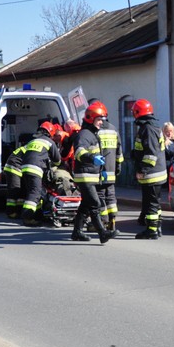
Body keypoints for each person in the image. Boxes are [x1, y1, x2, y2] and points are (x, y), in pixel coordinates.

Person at [69, 104, 118, 243]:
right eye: (99, 119)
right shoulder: (84, 134)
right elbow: (79, 152)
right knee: (95, 203)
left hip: (91, 175)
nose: (102, 122)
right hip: (85, 176)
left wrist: (101, 171)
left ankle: (76, 233)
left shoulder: (92, 134)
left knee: (85, 205)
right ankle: (102, 233)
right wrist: (92, 159)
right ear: (90, 119)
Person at [130, 99, 167, 239]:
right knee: (155, 203)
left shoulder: (148, 129)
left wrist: (142, 170)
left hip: (151, 174)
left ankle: (151, 231)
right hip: (157, 172)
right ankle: (156, 228)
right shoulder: (153, 126)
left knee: (151, 203)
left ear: (138, 112)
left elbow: (151, 154)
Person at [18, 122, 61, 227]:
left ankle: (37, 215)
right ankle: (27, 217)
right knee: (35, 193)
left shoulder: (32, 141)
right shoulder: (49, 141)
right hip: (36, 168)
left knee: (32, 191)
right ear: (50, 132)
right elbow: (57, 160)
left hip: (24, 168)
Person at [91, 102, 124, 232]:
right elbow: (119, 151)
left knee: (100, 196)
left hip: (99, 171)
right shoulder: (113, 129)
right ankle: (113, 220)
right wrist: (118, 166)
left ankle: (102, 222)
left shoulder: (95, 131)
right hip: (111, 170)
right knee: (111, 196)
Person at [2, 143, 27, 218]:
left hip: (18, 167)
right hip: (13, 168)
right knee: (14, 190)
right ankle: (10, 212)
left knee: (22, 190)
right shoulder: (31, 149)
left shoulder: (28, 147)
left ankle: (19, 211)